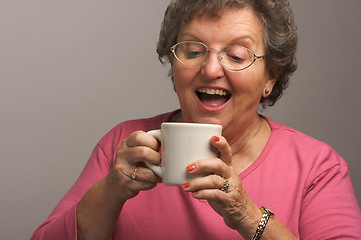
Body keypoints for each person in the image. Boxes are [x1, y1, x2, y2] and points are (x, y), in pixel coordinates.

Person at [31, 0, 361, 239]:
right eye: (193, 51)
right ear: (174, 68)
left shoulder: (318, 167)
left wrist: (245, 214)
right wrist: (111, 190)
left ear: (269, 78)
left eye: (236, 55)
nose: (211, 69)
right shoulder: (124, 145)